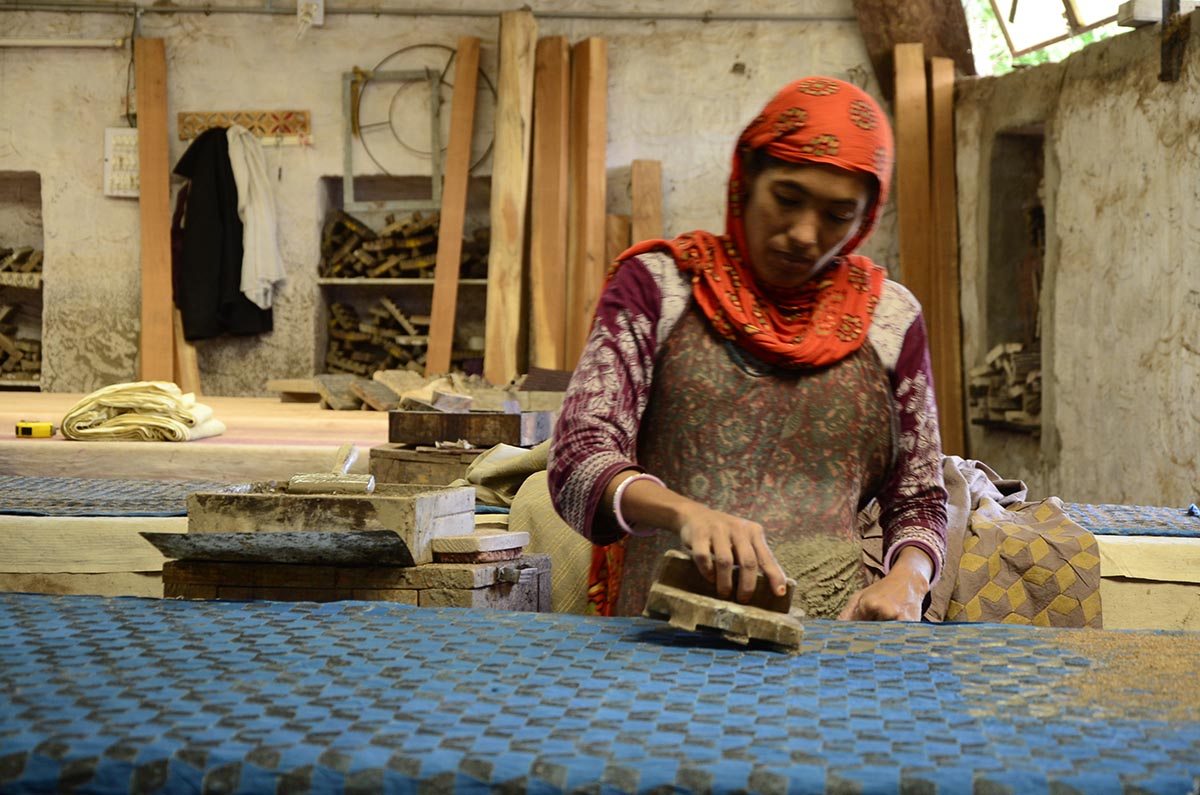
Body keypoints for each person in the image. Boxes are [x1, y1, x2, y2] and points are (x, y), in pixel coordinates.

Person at [547, 76, 948, 622]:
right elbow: (579, 458)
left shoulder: (891, 319)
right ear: (747, 177)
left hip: (834, 645)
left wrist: (908, 580)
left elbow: (919, 498)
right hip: (663, 640)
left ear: (864, 219)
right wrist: (685, 513)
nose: (806, 234)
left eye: (837, 215)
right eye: (787, 198)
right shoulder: (660, 287)